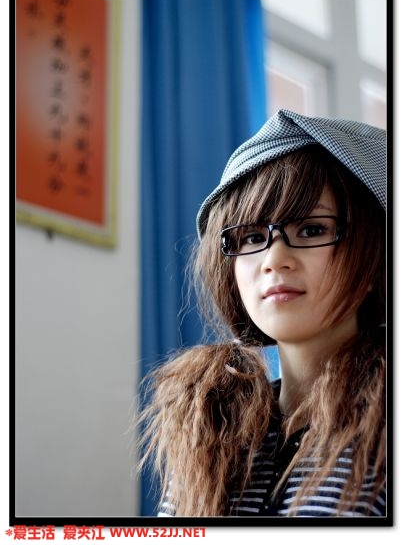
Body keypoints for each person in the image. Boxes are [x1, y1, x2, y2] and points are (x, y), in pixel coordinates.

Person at [137, 109, 387, 518]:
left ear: (377, 253)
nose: (273, 259)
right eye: (252, 237)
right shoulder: (213, 429)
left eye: (312, 230)